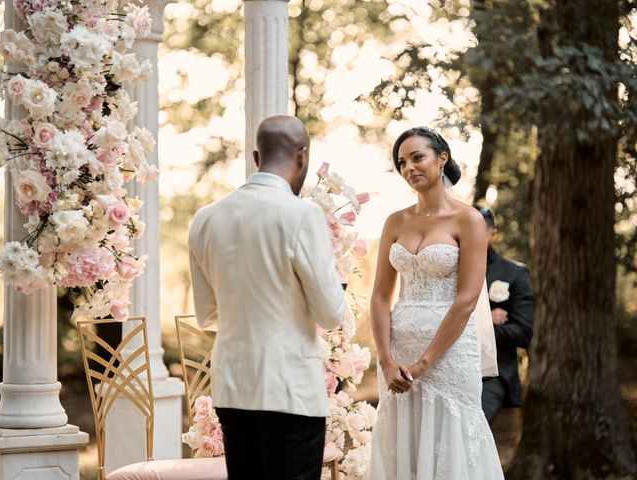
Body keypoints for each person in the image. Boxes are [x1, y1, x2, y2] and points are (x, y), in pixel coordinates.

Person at [188, 115, 347, 480]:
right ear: (302, 156)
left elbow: (207, 314)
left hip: (232, 387)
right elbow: (331, 313)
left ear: (256, 157)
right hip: (289, 389)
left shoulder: (205, 219)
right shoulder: (303, 215)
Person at [369, 127, 504, 479]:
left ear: (441, 158)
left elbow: (466, 300)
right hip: (398, 354)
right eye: (401, 162)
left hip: (448, 355)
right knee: (403, 443)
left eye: (417, 157)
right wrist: (386, 360)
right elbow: (381, 297)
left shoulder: (469, 219)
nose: (409, 168)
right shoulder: (395, 221)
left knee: (451, 443)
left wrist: (424, 364)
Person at [477, 206, 534, 424]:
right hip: (451, 370)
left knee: (472, 431)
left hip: (494, 376)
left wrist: (481, 327)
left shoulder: (514, 273)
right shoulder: (450, 271)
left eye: (479, 229)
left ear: (493, 233)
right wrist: (483, 319)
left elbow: (523, 333)